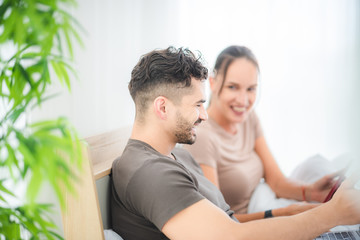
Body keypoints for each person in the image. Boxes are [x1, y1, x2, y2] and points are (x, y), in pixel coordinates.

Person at [110, 46, 360, 240]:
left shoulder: (177, 156)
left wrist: (296, 211)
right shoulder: (150, 173)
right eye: (197, 105)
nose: (204, 115)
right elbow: (229, 237)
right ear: (162, 107)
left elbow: (230, 224)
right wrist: (331, 213)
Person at [183, 45, 342, 222]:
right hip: (250, 221)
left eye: (251, 89)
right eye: (233, 87)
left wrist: (312, 191)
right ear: (213, 83)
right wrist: (280, 214)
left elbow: (276, 181)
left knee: (319, 165)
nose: (243, 101)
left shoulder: (248, 118)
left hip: (266, 203)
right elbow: (218, 220)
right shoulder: (202, 136)